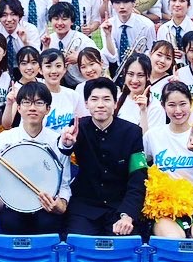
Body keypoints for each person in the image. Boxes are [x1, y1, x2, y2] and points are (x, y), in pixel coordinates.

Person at [0, 82, 72, 235]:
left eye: (39, 103)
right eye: (26, 102)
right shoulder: (5, 138)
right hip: (13, 204)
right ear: (19, 108)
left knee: (49, 224)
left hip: (45, 203)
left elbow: (64, 184)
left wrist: (61, 204)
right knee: (10, 222)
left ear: (48, 109)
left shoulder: (58, 142)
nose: (32, 108)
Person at [57, 77, 148, 236]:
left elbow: (138, 178)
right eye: (94, 99)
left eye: (106, 99)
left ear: (115, 103)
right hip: (85, 207)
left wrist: (127, 215)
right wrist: (66, 143)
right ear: (86, 104)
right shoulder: (78, 126)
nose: (100, 104)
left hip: (119, 206)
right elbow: (64, 149)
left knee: (124, 242)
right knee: (77, 242)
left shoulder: (132, 132)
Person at [143, 81, 193, 239]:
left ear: (191, 103)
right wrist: (143, 111)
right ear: (163, 106)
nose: (178, 110)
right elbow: (142, 159)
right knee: (174, 240)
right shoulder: (153, 135)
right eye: (171, 105)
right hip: (164, 204)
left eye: (183, 104)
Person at [101, 0, 156, 72]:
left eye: (126, 2)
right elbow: (112, 57)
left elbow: (152, 51)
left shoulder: (147, 25)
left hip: (141, 68)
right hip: (115, 70)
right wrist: (108, 35)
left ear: (134, 3)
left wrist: (140, 56)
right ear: (112, 5)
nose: (122, 6)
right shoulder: (107, 25)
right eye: (117, 3)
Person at [42, 1, 96, 87]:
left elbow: (100, 64)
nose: (60, 23)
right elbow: (42, 66)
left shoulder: (84, 41)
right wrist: (45, 47)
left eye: (64, 19)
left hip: (83, 85)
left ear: (72, 21)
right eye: (56, 19)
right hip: (57, 85)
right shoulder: (48, 40)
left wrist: (80, 59)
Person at [39, 49, 88, 132]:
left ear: (65, 69)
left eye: (58, 66)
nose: (54, 71)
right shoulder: (34, 96)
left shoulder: (73, 96)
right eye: (48, 66)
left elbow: (82, 124)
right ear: (40, 70)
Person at [115, 54, 166, 133]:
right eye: (131, 74)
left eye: (140, 75)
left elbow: (151, 139)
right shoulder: (117, 99)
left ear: (148, 76)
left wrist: (143, 111)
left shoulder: (156, 108)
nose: (134, 80)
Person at [0, 0, 41, 69]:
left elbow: (37, 58)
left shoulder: (30, 29)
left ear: (19, 16)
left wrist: (26, 42)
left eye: (13, 14)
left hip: (25, 70)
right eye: (4, 15)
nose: (9, 19)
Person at [148, 40, 176, 105]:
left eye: (168, 58)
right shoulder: (140, 76)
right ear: (150, 54)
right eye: (159, 55)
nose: (162, 61)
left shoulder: (171, 83)